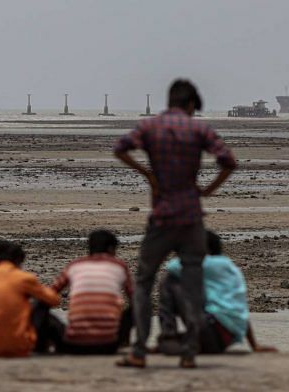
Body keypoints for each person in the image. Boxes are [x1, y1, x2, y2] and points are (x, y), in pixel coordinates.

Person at [114, 79, 237, 368]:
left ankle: (140, 350)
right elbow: (228, 161)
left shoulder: (150, 127)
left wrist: (148, 174)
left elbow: (120, 148)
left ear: (170, 100)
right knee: (193, 284)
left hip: (161, 217)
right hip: (192, 218)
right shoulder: (199, 129)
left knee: (144, 283)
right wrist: (207, 190)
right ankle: (189, 353)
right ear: (192, 104)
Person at [157, 231, 278, 355]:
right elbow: (239, 310)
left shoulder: (208, 264)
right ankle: (172, 343)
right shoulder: (229, 267)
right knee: (168, 345)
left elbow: (172, 266)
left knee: (169, 281)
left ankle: (169, 335)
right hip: (222, 342)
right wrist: (254, 345)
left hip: (210, 331)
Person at [38, 230, 134, 354]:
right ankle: (124, 341)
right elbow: (135, 297)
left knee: (38, 306)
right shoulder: (120, 266)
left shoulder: (75, 265)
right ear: (111, 249)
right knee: (140, 303)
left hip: (74, 344)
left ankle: (42, 344)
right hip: (109, 345)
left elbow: (49, 293)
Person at [0, 240, 60, 357]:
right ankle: (42, 346)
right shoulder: (23, 278)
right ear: (18, 260)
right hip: (19, 347)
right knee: (41, 304)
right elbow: (54, 300)